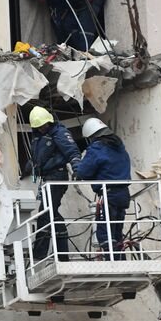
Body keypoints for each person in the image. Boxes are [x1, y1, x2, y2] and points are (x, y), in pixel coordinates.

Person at [29, 106, 81, 262]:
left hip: (57, 176)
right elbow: (38, 158)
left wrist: (77, 169)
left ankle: (39, 254)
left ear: (49, 122)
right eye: (39, 126)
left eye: (43, 125)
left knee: (45, 212)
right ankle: (62, 254)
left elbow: (73, 152)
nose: (42, 128)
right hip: (47, 178)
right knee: (53, 214)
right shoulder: (38, 136)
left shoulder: (59, 133)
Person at [77, 118, 131, 259]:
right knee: (116, 232)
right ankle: (121, 263)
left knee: (105, 233)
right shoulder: (120, 148)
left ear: (92, 136)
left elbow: (84, 172)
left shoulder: (97, 148)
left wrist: (77, 167)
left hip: (108, 195)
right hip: (123, 194)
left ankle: (113, 263)